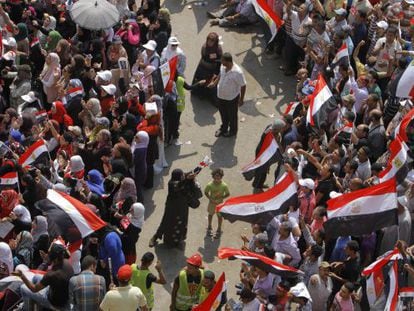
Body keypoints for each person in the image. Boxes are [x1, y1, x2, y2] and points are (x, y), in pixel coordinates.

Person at [149, 169, 202, 247]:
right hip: (172, 208)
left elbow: (191, 173)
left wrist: (200, 167)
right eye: (182, 176)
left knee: (181, 223)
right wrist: (187, 179)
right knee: (166, 222)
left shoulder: (183, 181)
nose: (184, 176)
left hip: (183, 207)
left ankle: (178, 240)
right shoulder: (172, 184)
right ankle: (156, 236)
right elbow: (179, 185)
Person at [19, 243, 74, 310]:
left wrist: (22, 276)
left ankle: (26, 309)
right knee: (36, 276)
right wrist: (47, 259)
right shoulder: (66, 262)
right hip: (62, 295)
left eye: (50, 254)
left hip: (54, 303)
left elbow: (34, 289)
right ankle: (33, 303)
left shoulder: (52, 274)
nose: (48, 254)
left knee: (23, 287)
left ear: (55, 259)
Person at [209, 52, 246, 138]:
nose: (221, 62)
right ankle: (223, 128)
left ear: (228, 62)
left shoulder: (237, 72)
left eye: (222, 61)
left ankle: (233, 131)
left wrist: (241, 99)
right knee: (223, 114)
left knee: (232, 116)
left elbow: (243, 85)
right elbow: (220, 75)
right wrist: (214, 83)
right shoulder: (223, 67)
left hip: (231, 98)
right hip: (221, 96)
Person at [204, 168, 230, 238]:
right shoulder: (210, 185)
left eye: (219, 177)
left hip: (220, 204)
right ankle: (209, 226)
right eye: (215, 177)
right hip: (212, 203)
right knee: (210, 214)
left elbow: (228, 194)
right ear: (213, 177)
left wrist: (222, 198)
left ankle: (219, 228)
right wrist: (210, 198)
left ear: (221, 177)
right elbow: (206, 192)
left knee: (220, 217)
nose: (217, 179)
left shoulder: (224, 185)